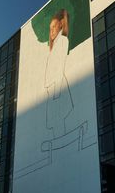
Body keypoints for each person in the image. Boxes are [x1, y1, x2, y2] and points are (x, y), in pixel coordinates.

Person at [44, 9, 73, 138]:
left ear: (61, 24)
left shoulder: (62, 41)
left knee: (59, 122)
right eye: (50, 29)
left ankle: (62, 144)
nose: (51, 31)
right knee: (56, 125)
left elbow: (59, 67)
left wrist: (56, 93)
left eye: (54, 27)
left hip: (58, 87)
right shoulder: (54, 46)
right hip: (53, 89)